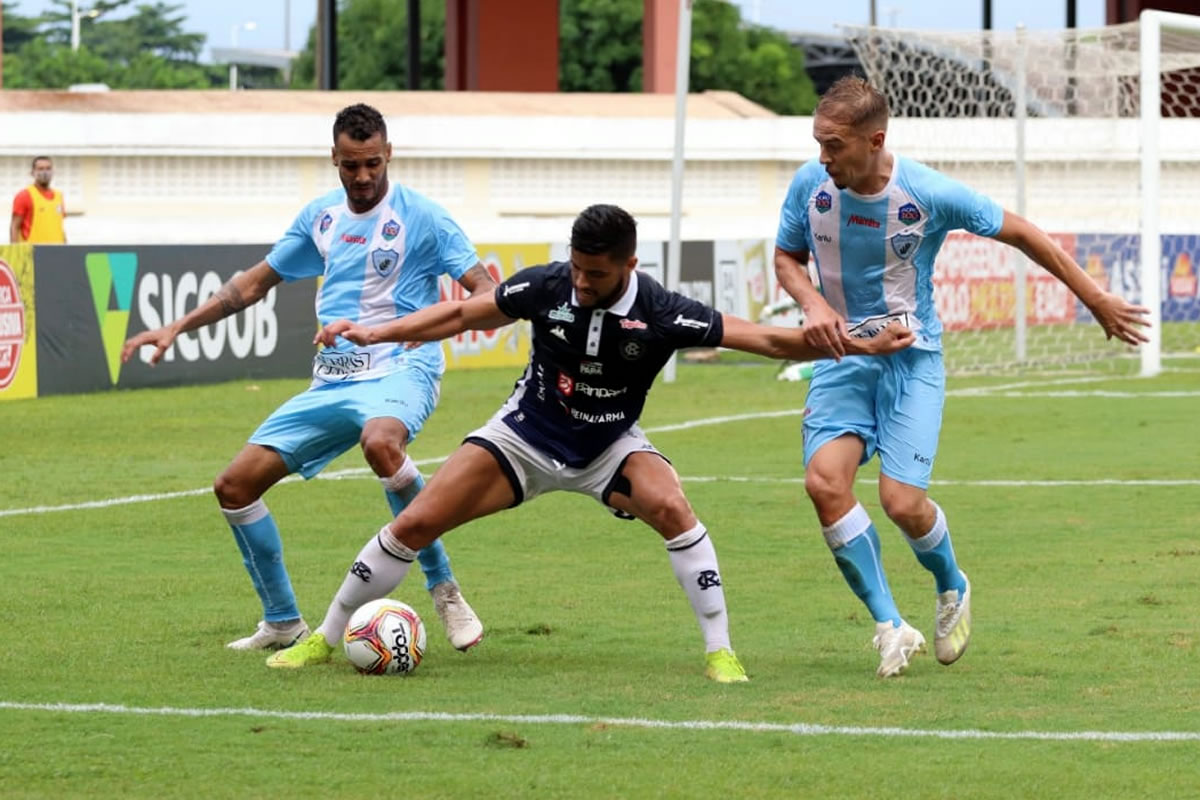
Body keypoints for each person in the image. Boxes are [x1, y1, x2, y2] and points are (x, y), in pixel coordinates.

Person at [265, 203, 916, 682]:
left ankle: (721, 651)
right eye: (577, 268)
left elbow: (774, 340)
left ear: (629, 265)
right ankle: (324, 636)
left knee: (674, 508)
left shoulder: (663, 311)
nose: (581, 282)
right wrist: (378, 334)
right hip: (524, 435)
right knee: (417, 519)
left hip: (608, 446)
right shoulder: (547, 285)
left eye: (596, 274)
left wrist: (861, 341)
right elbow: (466, 312)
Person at [773, 76, 1150, 678]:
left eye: (834, 145)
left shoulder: (927, 192)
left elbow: (1022, 232)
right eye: (818, 142)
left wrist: (1096, 298)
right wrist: (815, 307)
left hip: (912, 360)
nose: (823, 157)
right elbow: (786, 257)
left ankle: (951, 584)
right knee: (825, 485)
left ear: (875, 141)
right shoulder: (808, 185)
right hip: (844, 358)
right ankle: (890, 625)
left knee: (901, 503)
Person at [121, 103, 493, 653]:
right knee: (234, 486)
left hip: (400, 370)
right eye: (350, 165)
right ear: (334, 159)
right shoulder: (320, 217)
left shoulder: (425, 218)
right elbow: (250, 286)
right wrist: (178, 326)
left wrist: (429, 328)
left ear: (389, 154)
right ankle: (281, 622)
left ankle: (445, 591)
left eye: (371, 164)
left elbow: (486, 291)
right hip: (333, 382)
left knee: (381, 443)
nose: (362, 177)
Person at [10, 156, 67, 244]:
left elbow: (60, 227)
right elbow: (14, 227)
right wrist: (15, 253)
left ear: (53, 172)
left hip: (57, 252)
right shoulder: (24, 195)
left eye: (48, 168)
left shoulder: (59, 196)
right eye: (40, 169)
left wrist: (66, 248)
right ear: (32, 173)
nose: (45, 172)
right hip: (33, 253)